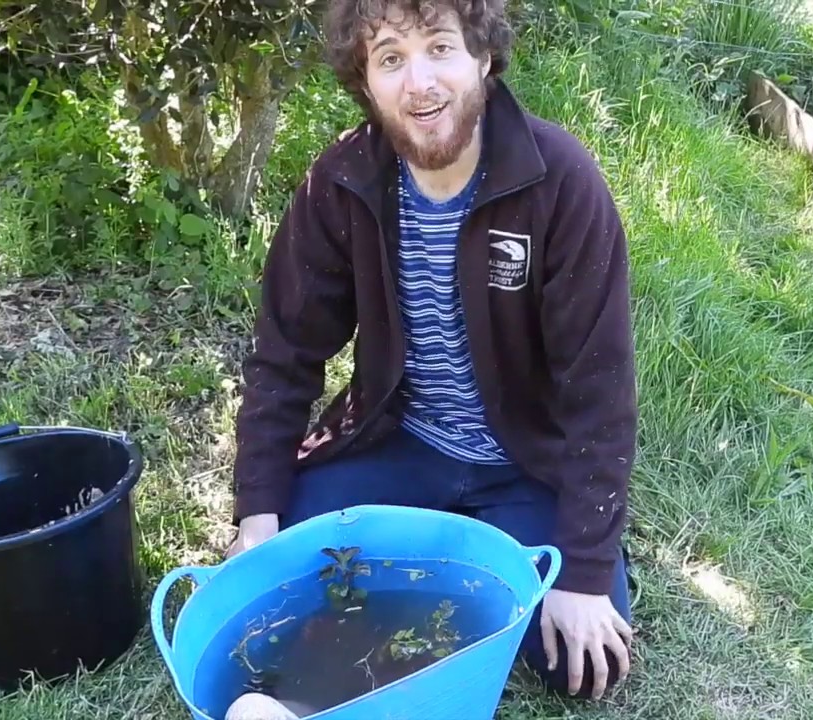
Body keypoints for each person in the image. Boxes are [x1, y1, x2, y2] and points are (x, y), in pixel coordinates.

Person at [225, 0, 638, 702]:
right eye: (391, 58)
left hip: (524, 463)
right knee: (272, 599)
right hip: (397, 444)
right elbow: (285, 353)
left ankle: (520, 548)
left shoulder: (561, 181)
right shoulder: (340, 183)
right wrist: (256, 512)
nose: (419, 83)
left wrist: (586, 574)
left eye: (440, 48)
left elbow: (599, 391)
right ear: (366, 80)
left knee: (578, 668)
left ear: (481, 58)